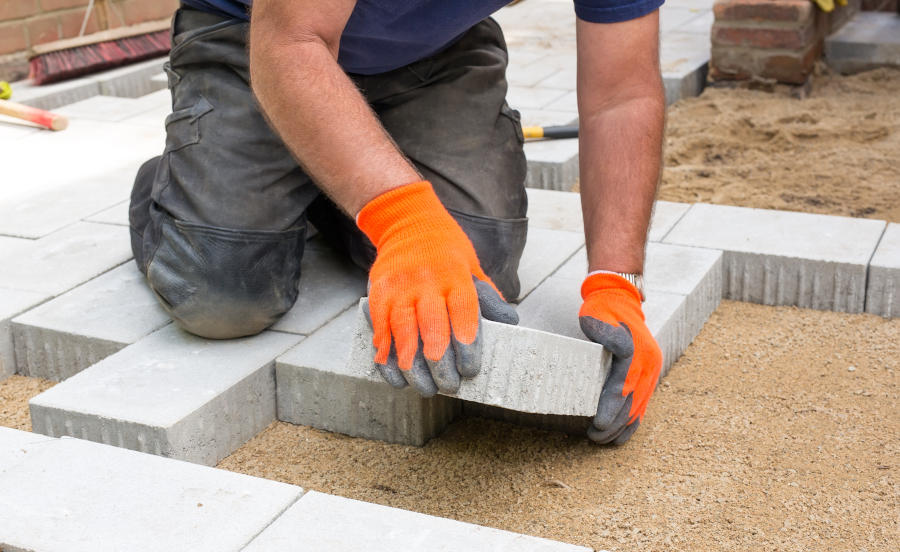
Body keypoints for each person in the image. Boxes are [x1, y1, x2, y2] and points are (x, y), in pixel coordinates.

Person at [129, 0, 664, 445]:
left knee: (480, 274)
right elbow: (292, 41)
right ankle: (182, 187)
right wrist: (407, 224)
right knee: (220, 294)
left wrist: (618, 281)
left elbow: (623, 95)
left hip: (433, 50)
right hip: (255, 36)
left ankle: (327, 175)